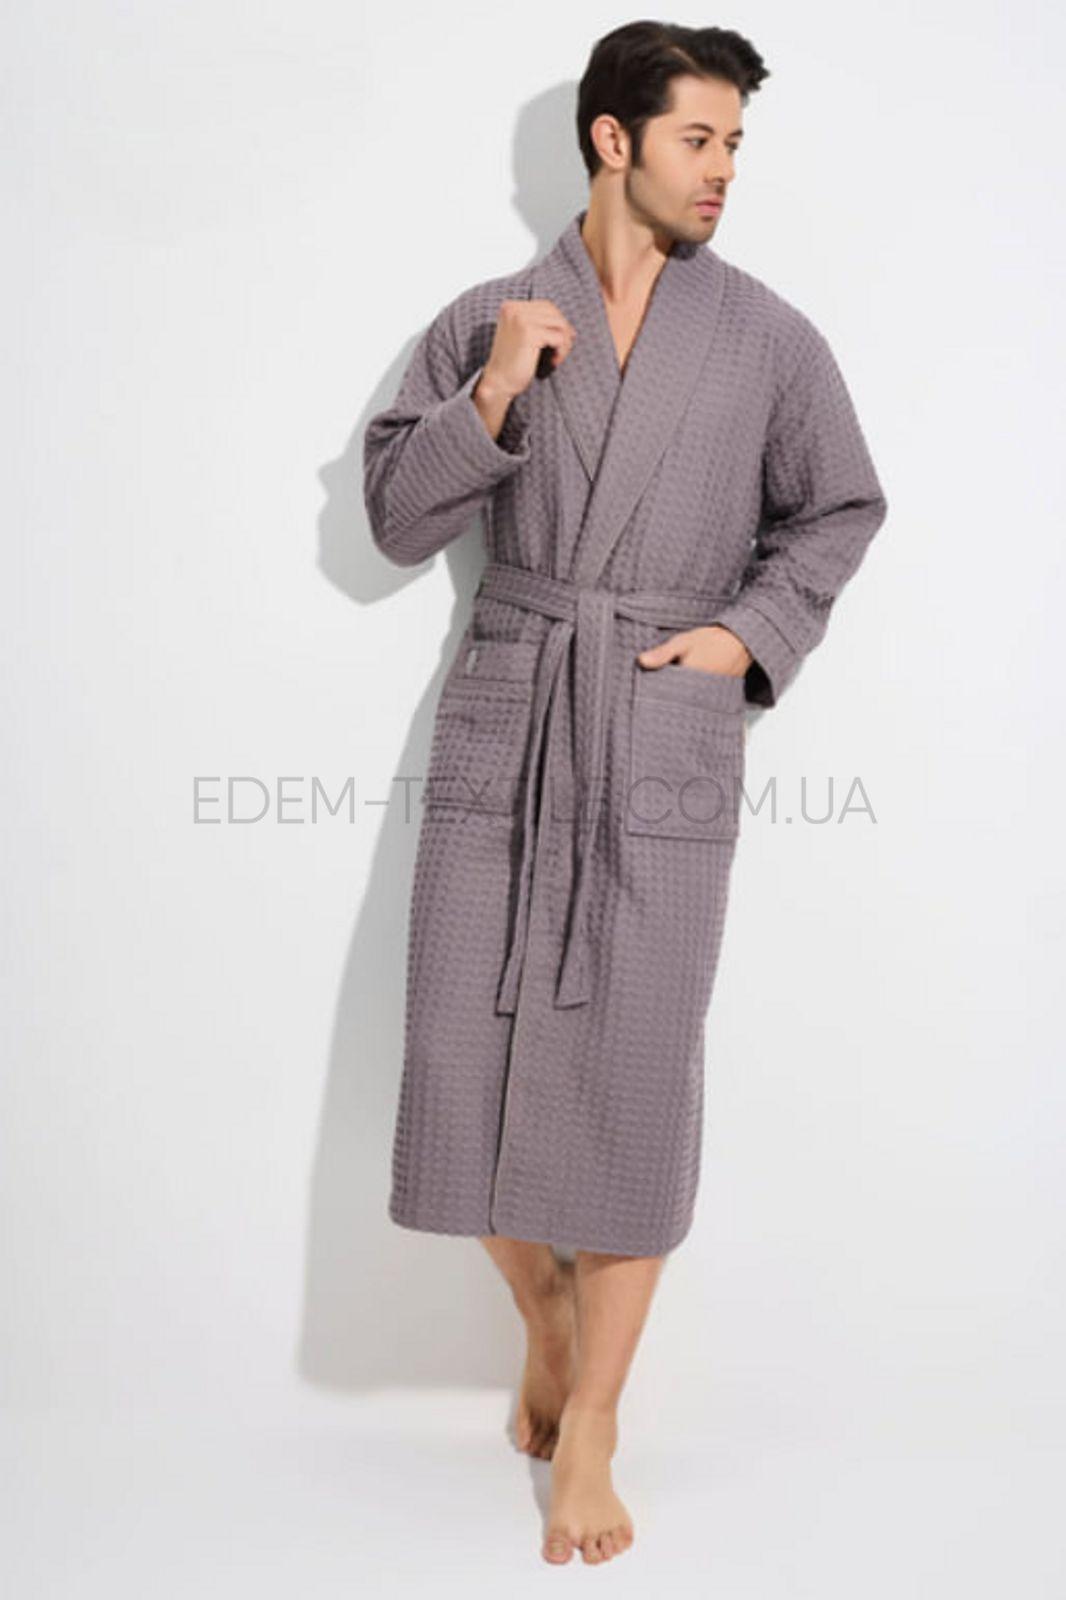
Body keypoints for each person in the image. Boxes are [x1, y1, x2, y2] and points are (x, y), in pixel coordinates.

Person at [362, 20, 888, 1567]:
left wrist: (744, 636)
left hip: (656, 724)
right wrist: (493, 395)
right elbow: (393, 518)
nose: (722, 171)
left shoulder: (771, 341)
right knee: (456, 1044)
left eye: (733, 145)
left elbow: (839, 507)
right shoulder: (492, 317)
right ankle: (542, 1314)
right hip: (511, 706)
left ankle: (594, 1417)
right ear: (613, 141)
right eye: (697, 140)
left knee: (636, 1067)